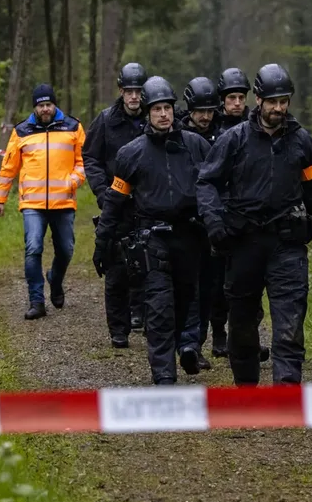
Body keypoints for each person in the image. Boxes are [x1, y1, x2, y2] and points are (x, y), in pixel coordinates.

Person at [197, 64, 312, 385]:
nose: (279, 108)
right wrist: (214, 222)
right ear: (258, 100)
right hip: (243, 245)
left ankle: (286, 394)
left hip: (287, 245)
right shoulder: (234, 140)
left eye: (284, 101)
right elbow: (206, 183)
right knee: (243, 325)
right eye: (273, 101)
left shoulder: (302, 142)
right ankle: (248, 393)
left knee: (290, 324)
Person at [93, 77, 208, 385]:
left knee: (185, 301)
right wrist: (102, 244)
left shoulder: (196, 146)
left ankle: (181, 347)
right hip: (152, 239)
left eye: (167, 108)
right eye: (157, 109)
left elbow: (214, 190)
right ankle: (164, 375)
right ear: (147, 112)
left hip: (189, 237)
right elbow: (114, 203)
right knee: (158, 309)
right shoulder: (132, 153)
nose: (163, 114)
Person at [0, 83, 86, 320]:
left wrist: (73, 181)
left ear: (55, 105)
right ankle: (36, 301)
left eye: (49, 104)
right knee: (33, 248)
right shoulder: (22, 131)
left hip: (63, 202)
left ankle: (55, 279)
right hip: (32, 204)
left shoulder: (73, 127)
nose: (45, 109)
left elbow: (84, 161)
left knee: (66, 250)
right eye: (41, 105)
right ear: (35, 107)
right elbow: (8, 167)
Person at [85, 62, 148, 347]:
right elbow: (91, 157)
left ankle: (144, 316)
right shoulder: (105, 120)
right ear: (121, 91)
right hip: (116, 202)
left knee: (149, 262)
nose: (134, 96)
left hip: (149, 202)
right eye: (129, 91)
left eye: (138, 91)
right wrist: (102, 192)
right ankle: (118, 329)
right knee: (115, 267)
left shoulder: (155, 115)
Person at [181, 77, 227, 365]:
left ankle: (206, 340)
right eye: (200, 111)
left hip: (215, 223)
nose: (205, 116)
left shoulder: (225, 136)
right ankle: (189, 344)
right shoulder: (177, 136)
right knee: (189, 288)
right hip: (185, 222)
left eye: (210, 110)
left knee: (213, 286)